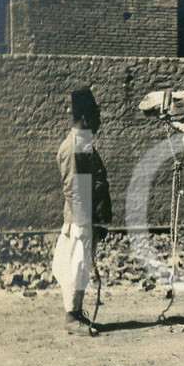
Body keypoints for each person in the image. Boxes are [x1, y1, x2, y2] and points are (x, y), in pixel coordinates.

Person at [52, 87, 112, 335]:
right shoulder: (73, 147)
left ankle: (75, 313)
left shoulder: (82, 144)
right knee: (76, 265)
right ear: (85, 118)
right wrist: (86, 224)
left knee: (81, 265)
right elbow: (75, 188)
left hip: (87, 218)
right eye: (96, 116)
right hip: (80, 219)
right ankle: (72, 316)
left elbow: (94, 183)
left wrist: (98, 222)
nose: (99, 121)